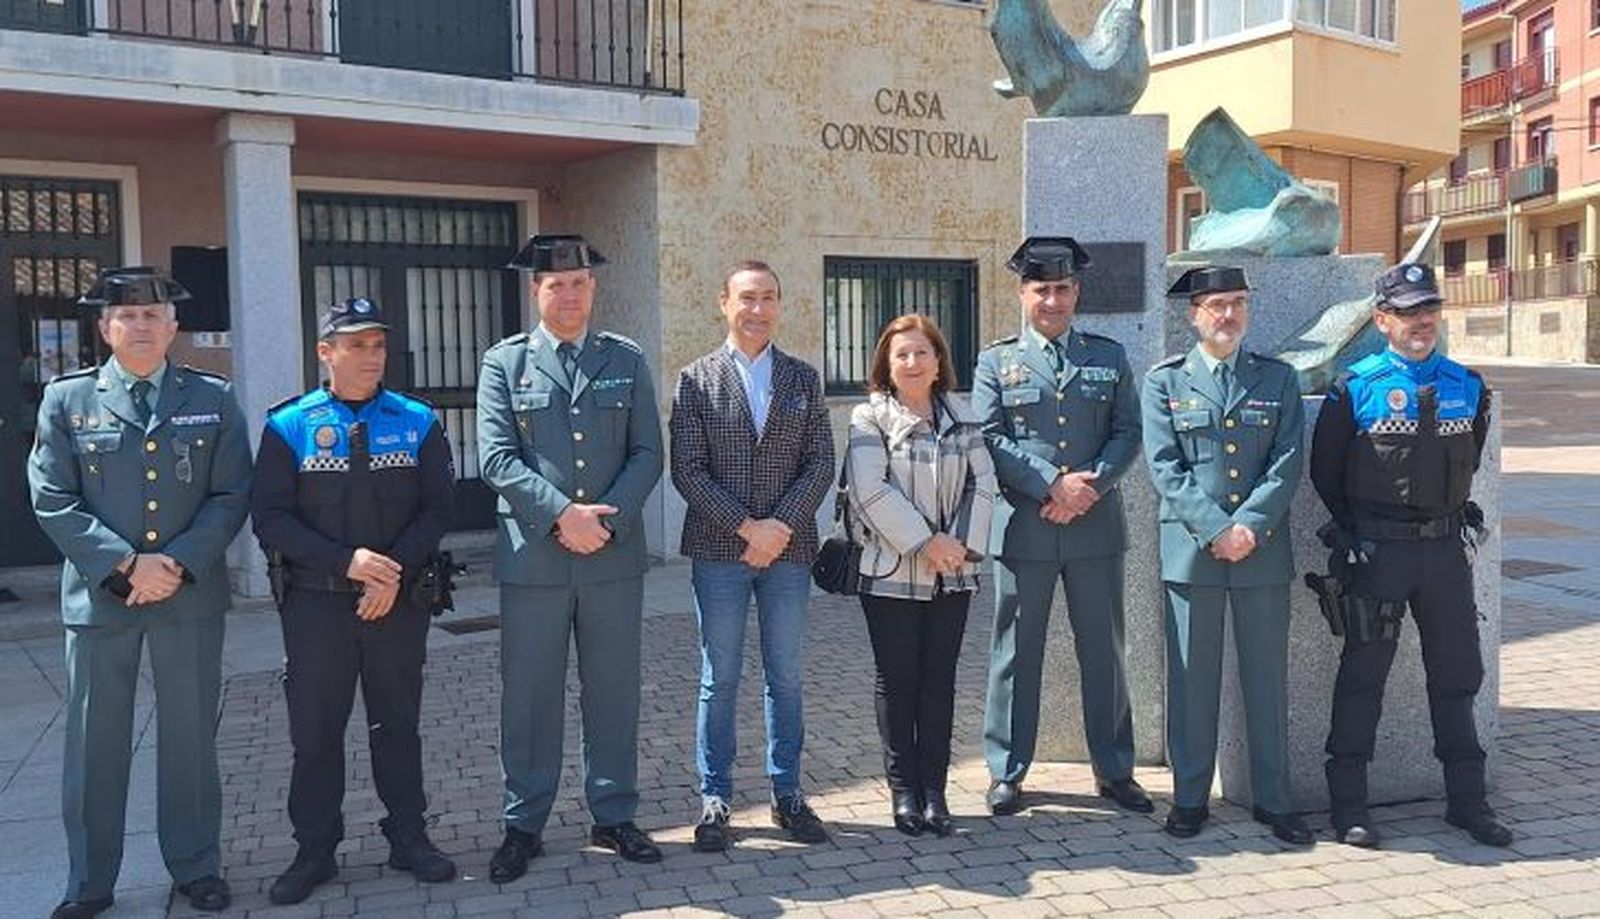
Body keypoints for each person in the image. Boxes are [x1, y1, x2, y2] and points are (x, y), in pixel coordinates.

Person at [27, 266, 252, 919]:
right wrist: (125, 562)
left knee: (188, 737)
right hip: (102, 599)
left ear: (173, 325)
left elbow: (232, 491)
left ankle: (195, 864)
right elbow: (51, 496)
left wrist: (176, 563)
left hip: (188, 595)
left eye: (153, 315)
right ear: (105, 327)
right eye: (127, 316)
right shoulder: (67, 400)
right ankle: (90, 879)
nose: (142, 325)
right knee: (95, 742)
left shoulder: (212, 396)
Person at [250, 297, 458, 904]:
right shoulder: (289, 425)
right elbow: (270, 518)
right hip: (316, 606)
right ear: (326, 352)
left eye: (378, 345)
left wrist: (386, 574)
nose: (371, 356)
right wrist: (349, 564)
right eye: (356, 345)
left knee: (398, 725)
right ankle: (314, 850)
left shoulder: (417, 421)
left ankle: (409, 838)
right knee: (315, 734)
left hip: (397, 601)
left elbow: (438, 508)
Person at [477, 233, 666, 876]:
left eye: (578, 283)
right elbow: (497, 458)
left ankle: (614, 814)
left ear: (593, 289)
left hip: (612, 556)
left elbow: (648, 453)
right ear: (536, 291)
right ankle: (522, 823)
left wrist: (604, 520)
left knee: (613, 691)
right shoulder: (504, 363)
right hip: (534, 558)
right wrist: (563, 515)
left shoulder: (626, 359)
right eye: (555, 284)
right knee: (529, 696)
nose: (568, 294)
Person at [1309, 262, 1512, 850]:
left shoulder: (1466, 385)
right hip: (1379, 555)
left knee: (1457, 677)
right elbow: (1326, 472)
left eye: (1428, 309)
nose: (1421, 321)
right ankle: (1349, 807)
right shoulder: (1356, 386)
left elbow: (1468, 461)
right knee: (1362, 677)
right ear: (1381, 320)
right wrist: (1358, 534)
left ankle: (1467, 803)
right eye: (1406, 312)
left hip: (1446, 554)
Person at [972, 236, 1151, 817]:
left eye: (1063, 289)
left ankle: (1115, 769)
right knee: (1015, 653)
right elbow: (989, 437)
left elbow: (1129, 431)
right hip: (1025, 529)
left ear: (1077, 292)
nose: (1053, 299)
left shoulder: (1109, 356)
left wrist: (1088, 487)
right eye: (1041, 289)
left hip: (1095, 529)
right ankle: (1007, 770)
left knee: (1104, 651)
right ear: (1023, 293)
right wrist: (1053, 483)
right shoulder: (995, 361)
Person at [1141, 266, 1312, 845]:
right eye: (1216, 305)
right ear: (1194, 315)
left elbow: (1287, 462)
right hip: (1192, 554)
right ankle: (1191, 799)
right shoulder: (1164, 382)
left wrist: (1249, 528)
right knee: (1192, 682)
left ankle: (1274, 798)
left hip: (1260, 554)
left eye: (1237, 303)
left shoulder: (1278, 379)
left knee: (1267, 680)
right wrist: (1217, 529)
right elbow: (1165, 467)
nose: (1229, 315)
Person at [668, 261, 834, 852]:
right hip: (719, 551)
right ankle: (715, 799)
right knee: (721, 678)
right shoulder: (695, 380)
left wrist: (780, 527)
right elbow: (686, 470)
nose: (757, 309)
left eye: (768, 297)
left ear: (780, 304)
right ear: (723, 302)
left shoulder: (802, 378)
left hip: (788, 554)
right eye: (746, 298)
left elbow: (820, 462)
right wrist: (746, 527)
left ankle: (787, 794)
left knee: (785, 678)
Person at [845, 315, 997, 837]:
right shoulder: (869, 417)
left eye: (922, 353)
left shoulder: (964, 413)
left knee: (940, 683)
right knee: (898, 682)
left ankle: (935, 791)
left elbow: (985, 484)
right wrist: (926, 542)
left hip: (952, 573)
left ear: (938, 362)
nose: (912, 362)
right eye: (901, 355)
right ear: (887, 364)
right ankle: (903, 791)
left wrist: (956, 547)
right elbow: (869, 489)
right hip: (890, 572)